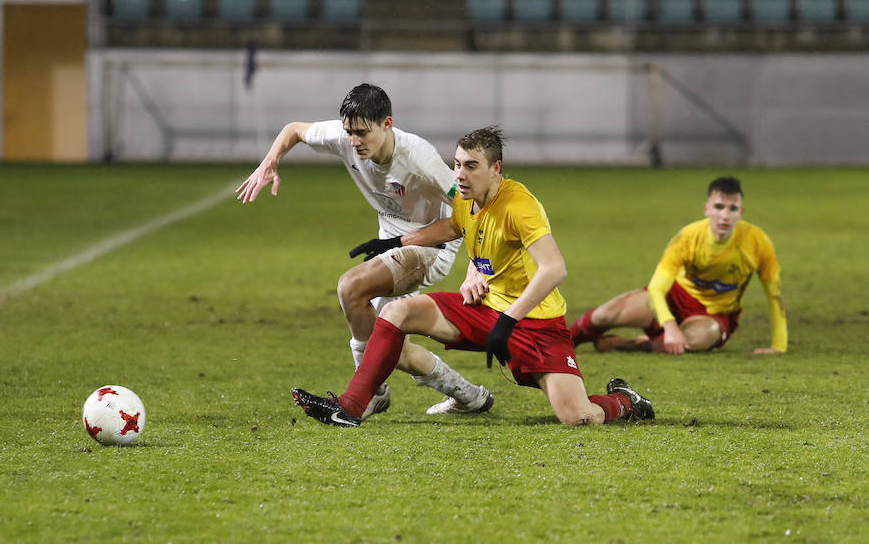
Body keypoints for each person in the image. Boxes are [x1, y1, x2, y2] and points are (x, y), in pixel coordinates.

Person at [291, 126, 654, 427]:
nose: (460, 175)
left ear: (496, 168)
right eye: (458, 164)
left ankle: (624, 401)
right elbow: (453, 226)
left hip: (537, 326)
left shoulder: (519, 206)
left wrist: (508, 321)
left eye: (472, 166)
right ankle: (351, 407)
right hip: (485, 311)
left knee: (577, 416)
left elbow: (555, 268)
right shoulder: (466, 195)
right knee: (396, 313)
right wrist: (397, 240)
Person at [235, 83, 493, 419]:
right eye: (349, 132)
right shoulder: (345, 136)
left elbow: (472, 206)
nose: (354, 141)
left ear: (386, 124)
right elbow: (294, 130)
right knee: (391, 348)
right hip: (386, 242)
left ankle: (372, 392)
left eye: (362, 133)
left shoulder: (418, 159)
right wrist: (270, 161)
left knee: (350, 287)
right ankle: (471, 397)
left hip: (432, 245)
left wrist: (478, 265)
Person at [569, 177, 787, 355]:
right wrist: (670, 326)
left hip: (714, 315)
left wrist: (779, 345)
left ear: (741, 212)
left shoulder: (758, 242)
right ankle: (564, 343)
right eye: (719, 207)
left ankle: (632, 345)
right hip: (675, 298)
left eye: (732, 208)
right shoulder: (687, 237)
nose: (725, 215)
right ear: (706, 209)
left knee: (695, 338)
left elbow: (774, 295)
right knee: (603, 316)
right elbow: (656, 289)